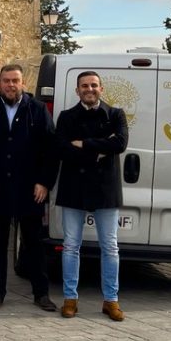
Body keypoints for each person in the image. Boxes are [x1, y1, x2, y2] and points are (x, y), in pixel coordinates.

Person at [0, 63, 59, 312]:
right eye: (6, 80)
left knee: (34, 244)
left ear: (23, 83)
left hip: (30, 190)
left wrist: (44, 182)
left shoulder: (37, 109)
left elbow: (50, 150)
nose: (10, 85)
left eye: (15, 81)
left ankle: (41, 294)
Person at [54, 70, 129, 321]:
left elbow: (120, 144)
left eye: (94, 85)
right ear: (77, 91)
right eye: (84, 86)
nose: (90, 89)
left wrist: (84, 144)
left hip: (105, 189)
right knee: (70, 246)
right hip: (74, 187)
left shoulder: (115, 114)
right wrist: (100, 150)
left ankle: (111, 301)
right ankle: (70, 299)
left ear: (101, 88)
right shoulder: (66, 117)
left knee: (110, 247)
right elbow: (62, 149)